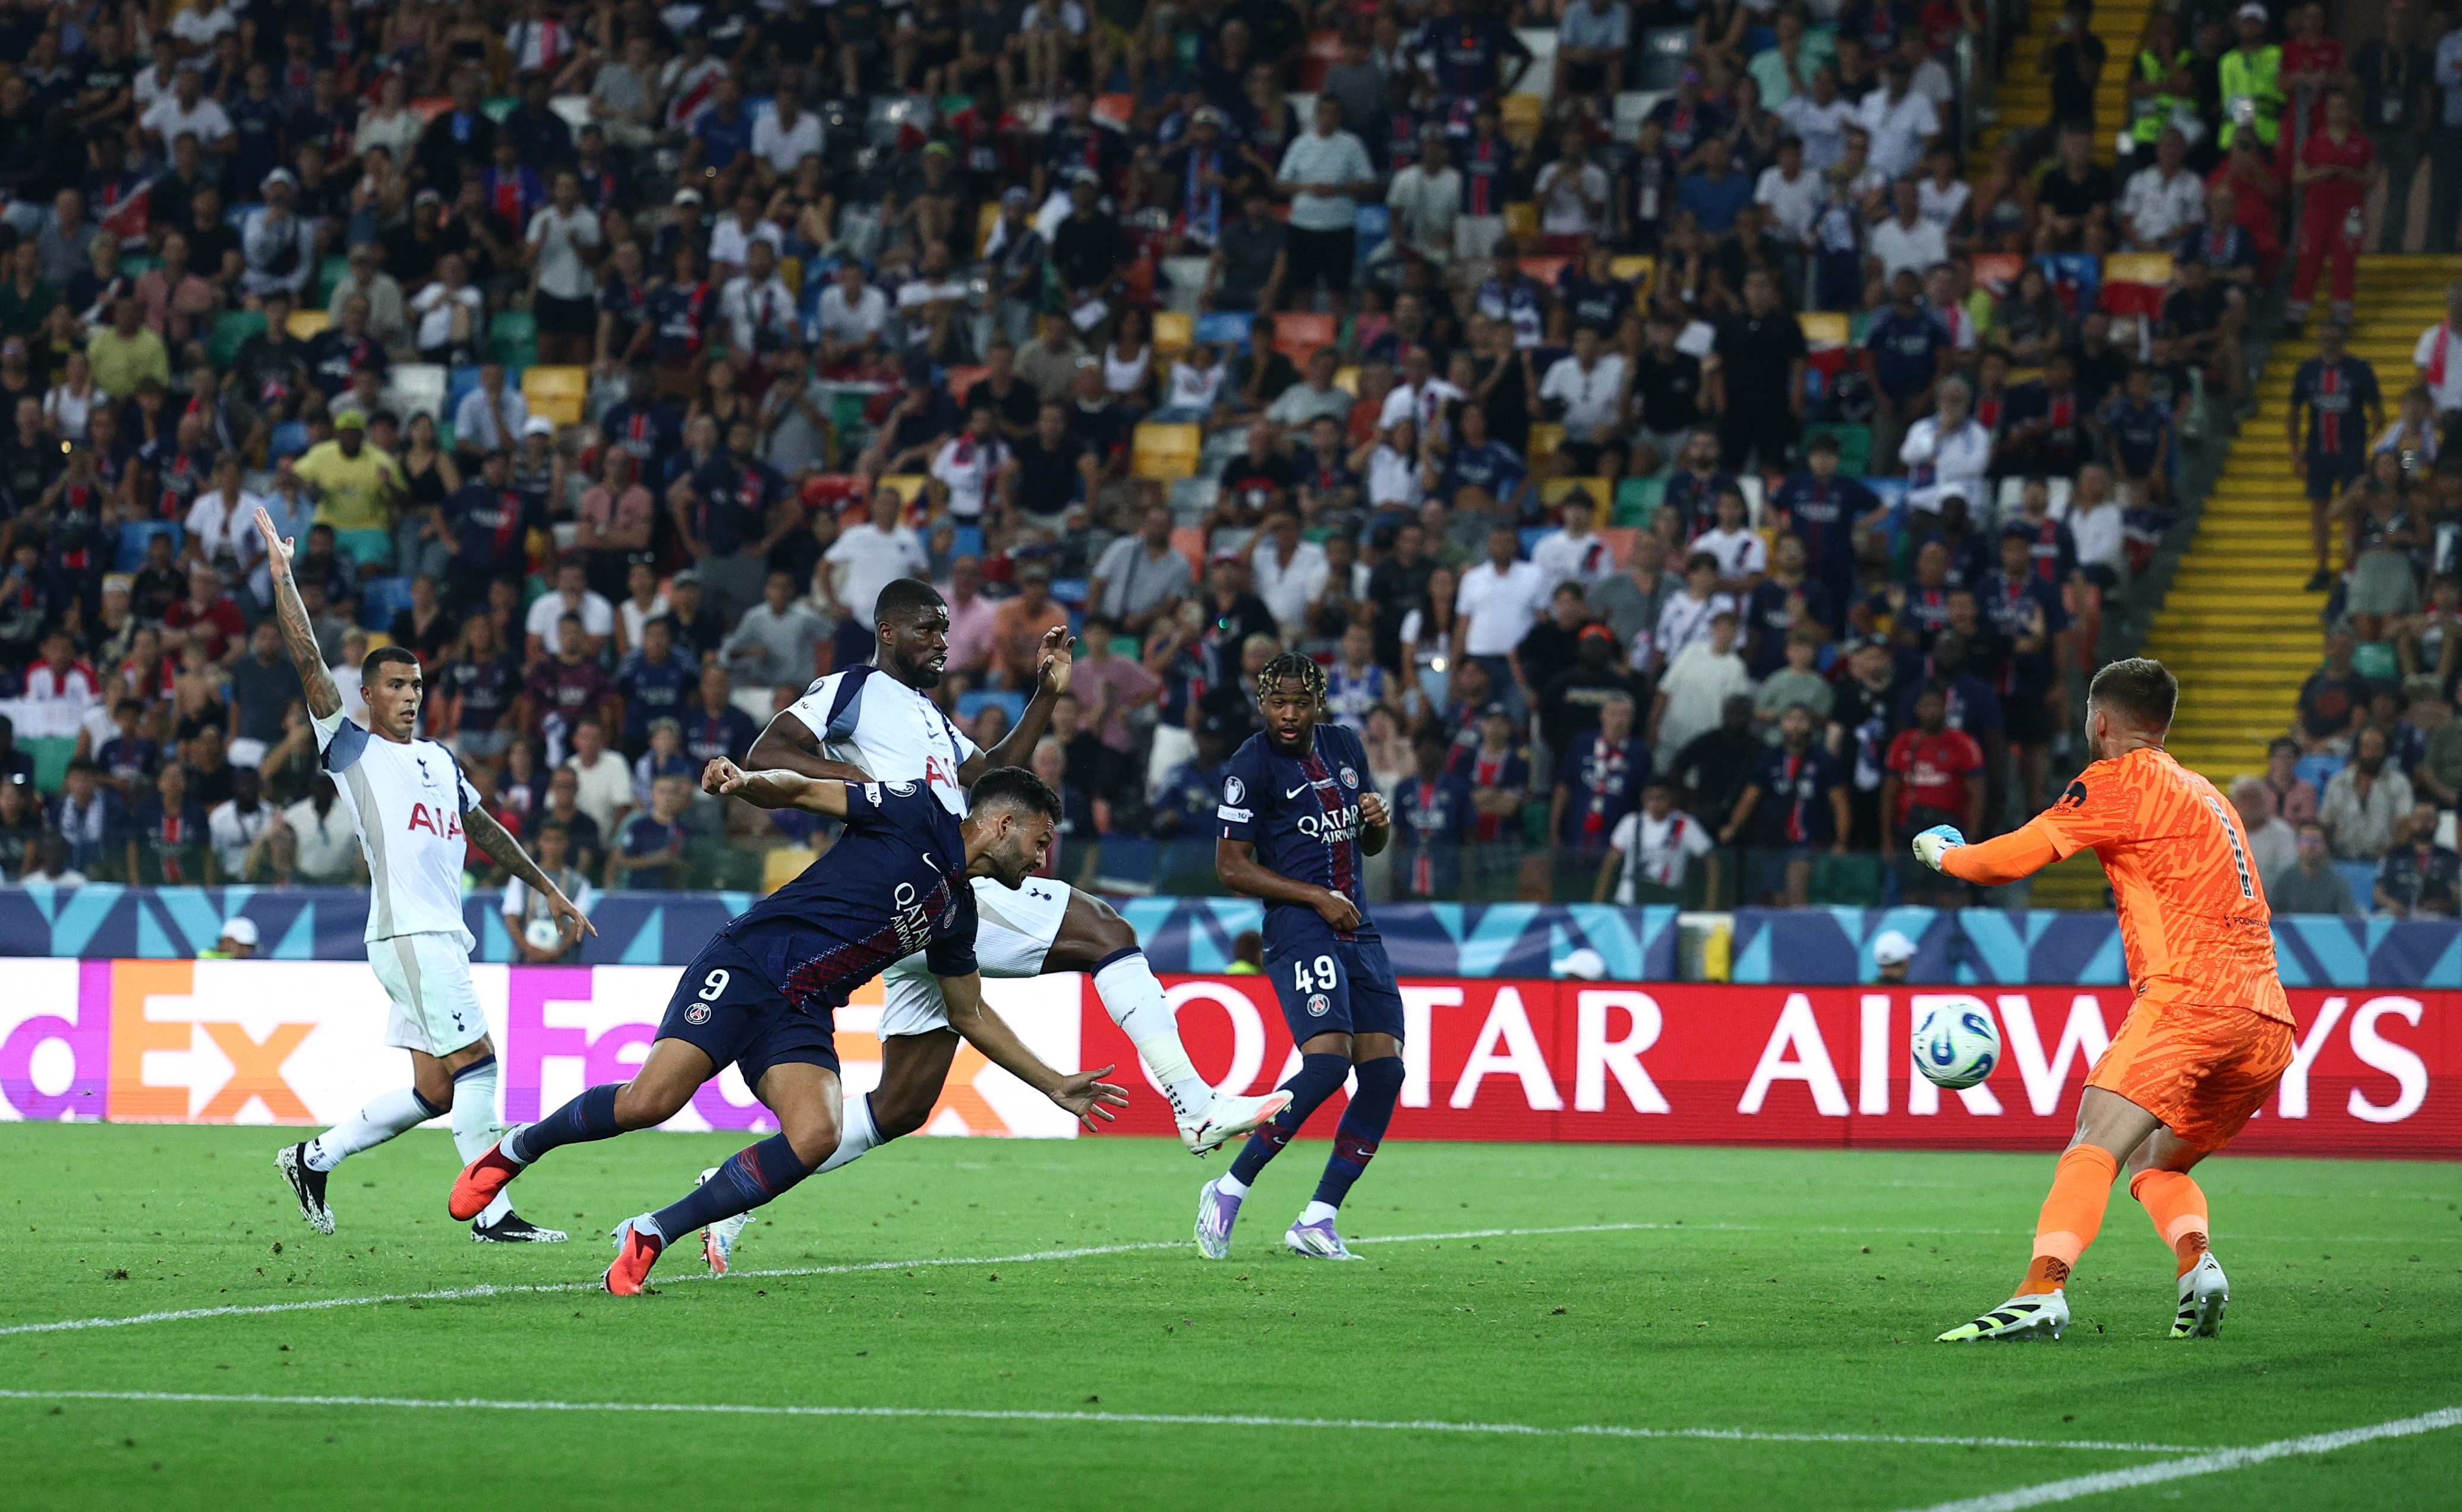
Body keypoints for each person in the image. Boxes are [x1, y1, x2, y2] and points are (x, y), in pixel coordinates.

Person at [450, 763, 1125, 1293]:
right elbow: (807, 790)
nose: (1042, 859)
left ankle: (655, 1233)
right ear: (1004, 823)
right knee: (649, 1102)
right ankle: (515, 1149)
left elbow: (968, 1011)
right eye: (1040, 841)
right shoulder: (917, 811)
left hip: (802, 1009)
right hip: (747, 965)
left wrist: (1054, 1083)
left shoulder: (959, 914)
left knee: (816, 1134)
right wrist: (746, 783)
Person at [737, 578, 1285, 1200]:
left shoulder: (929, 716)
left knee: (902, 1106)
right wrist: (863, 790)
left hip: (917, 913)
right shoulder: (849, 690)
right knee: (1106, 930)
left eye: (946, 629)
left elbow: (993, 780)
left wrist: (1046, 694)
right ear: (886, 631)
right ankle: (1193, 1102)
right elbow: (768, 751)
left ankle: (728, 1194)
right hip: (923, 876)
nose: (942, 642)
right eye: (927, 629)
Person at [1919, 658, 2297, 1343]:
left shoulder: (2120, 781)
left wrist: (1944, 852)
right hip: (2267, 1017)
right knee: (2159, 1163)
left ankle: (2040, 1292)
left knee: (2094, 1143)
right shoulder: (2207, 791)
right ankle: (2197, 1265)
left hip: (2190, 999)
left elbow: (2002, 862)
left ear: (2100, 721)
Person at [256, 507, 591, 1246]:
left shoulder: (439, 760)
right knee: (480, 1061)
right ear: (368, 695)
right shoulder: (351, 751)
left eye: (416, 684)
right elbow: (308, 656)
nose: (410, 694)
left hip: (440, 933)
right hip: (410, 933)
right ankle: (491, 1214)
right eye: (396, 684)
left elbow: (484, 828)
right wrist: (284, 574)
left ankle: (313, 1158)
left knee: (437, 1089)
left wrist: (548, 887)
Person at [1200, 652, 1401, 1262]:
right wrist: (1316, 896)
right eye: (1278, 703)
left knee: (1385, 1072)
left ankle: (1318, 1218)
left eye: (1301, 703)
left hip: (1356, 927)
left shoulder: (1344, 746)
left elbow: (1365, 842)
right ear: (1262, 704)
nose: (1289, 715)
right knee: (1327, 1066)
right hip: (1299, 928)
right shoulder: (1251, 764)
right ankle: (1229, 1186)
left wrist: (1377, 824)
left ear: (1320, 703)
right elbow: (1230, 866)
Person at [2290, 323, 2387, 590]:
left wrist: (2372, 451)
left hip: (2352, 452)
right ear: (2319, 340)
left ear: (2343, 339)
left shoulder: (2359, 370)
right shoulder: (2308, 371)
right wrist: (2296, 451)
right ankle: (2321, 567)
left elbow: (2378, 412)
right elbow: (2294, 411)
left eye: (2334, 338)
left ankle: (2349, 565)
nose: (2329, 342)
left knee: (2352, 508)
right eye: (2325, 337)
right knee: (2318, 507)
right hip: (2318, 451)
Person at [1596, 775, 1714, 904]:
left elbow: (1712, 861)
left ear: (1672, 798)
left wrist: (1710, 904)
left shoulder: (1685, 824)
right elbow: (1611, 862)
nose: (1655, 804)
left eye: (1661, 798)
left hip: (1666, 900)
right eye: (1650, 798)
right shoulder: (1631, 822)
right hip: (1628, 900)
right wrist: (1598, 902)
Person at [2265, 818, 2360, 916]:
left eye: (2315, 841)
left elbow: (2349, 919)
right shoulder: (2284, 880)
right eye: (2305, 840)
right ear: (2298, 845)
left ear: (2326, 845)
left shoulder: (2338, 883)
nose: (2310, 846)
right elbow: (2270, 916)